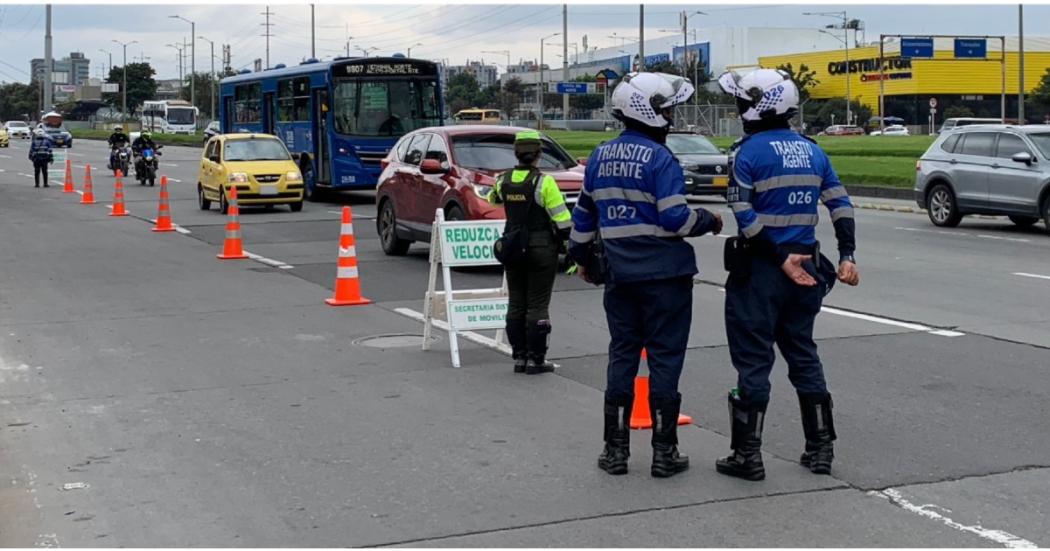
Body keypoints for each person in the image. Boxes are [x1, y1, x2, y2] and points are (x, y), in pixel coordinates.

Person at [568, 72, 723, 478]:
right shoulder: (661, 159)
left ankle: (615, 451)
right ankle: (664, 452)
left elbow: (583, 218)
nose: (671, 116)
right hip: (666, 277)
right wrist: (709, 219)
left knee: (622, 355)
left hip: (621, 276)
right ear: (650, 111)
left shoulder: (599, 157)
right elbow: (675, 217)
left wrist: (581, 258)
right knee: (665, 360)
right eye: (667, 108)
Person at [714, 68, 860, 482]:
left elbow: (743, 213)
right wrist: (847, 254)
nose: (738, 109)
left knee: (754, 362)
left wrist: (778, 257)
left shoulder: (748, 153)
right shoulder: (813, 151)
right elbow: (841, 204)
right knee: (803, 354)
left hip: (762, 270)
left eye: (742, 102)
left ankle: (748, 456)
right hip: (808, 268)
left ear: (758, 107)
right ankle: (820, 450)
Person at [487, 130, 572, 375]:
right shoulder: (544, 182)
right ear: (539, 155)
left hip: (513, 248)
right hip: (541, 248)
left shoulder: (503, 180)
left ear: (516, 153)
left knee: (516, 302)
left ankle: (520, 357)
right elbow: (562, 220)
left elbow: (493, 199)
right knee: (537, 304)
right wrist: (571, 249)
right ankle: (537, 360)